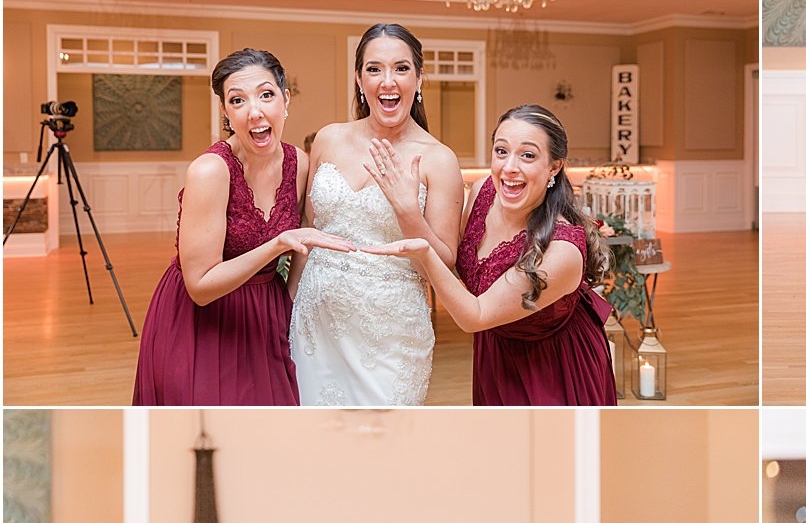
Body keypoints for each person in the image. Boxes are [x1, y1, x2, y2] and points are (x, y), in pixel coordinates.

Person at [132, 48, 353, 405]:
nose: (255, 112)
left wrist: (291, 311)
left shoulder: (299, 164)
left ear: (285, 100)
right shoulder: (211, 171)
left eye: (266, 95)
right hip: (202, 321)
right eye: (238, 100)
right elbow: (200, 286)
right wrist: (277, 244)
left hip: (266, 315)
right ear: (225, 111)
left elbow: (302, 247)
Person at [364, 105, 615, 405]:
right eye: (501, 151)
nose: (509, 167)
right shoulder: (483, 192)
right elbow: (451, 259)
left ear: (554, 167)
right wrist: (407, 211)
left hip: (554, 364)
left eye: (528, 155)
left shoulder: (562, 250)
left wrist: (420, 241)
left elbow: (476, 315)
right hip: (496, 351)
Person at [289, 23, 464, 405]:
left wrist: (407, 212)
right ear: (359, 79)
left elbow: (444, 264)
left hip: (391, 336)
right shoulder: (329, 139)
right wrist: (285, 311)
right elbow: (307, 230)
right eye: (374, 69)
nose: (388, 81)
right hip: (313, 326)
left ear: (420, 79)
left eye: (401, 68)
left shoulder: (439, 159)